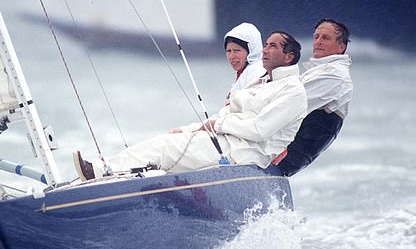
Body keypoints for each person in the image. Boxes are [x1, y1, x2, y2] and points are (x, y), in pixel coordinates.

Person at [74, 31, 307, 181]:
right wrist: (190, 129)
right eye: (266, 44)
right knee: (168, 145)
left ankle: (100, 172)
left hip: (243, 154)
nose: (265, 50)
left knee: (165, 148)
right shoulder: (263, 81)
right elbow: (225, 117)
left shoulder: (293, 91)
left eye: (274, 46)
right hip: (228, 143)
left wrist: (220, 124)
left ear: (289, 57)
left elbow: (259, 130)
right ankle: (109, 175)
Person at [275, 19, 353, 176]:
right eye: (316, 37)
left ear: (341, 47)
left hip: (285, 157)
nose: (318, 41)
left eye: (325, 38)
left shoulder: (336, 74)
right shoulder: (319, 70)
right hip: (279, 152)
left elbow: (287, 102)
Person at [223, 23, 265, 105]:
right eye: (228, 51)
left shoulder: (258, 73)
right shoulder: (245, 73)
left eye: (237, 50)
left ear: (251, 51)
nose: (231, 56)